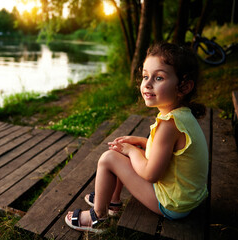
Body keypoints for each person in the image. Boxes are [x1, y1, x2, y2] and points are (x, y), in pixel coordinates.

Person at [65, 42, 209, 233]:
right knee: (123, 151)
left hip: (173, 204)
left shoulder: (169, 124)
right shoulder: (181, 115)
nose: (147, 84)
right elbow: (169, 153)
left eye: (158, 77)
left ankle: (98, 217)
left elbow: (151, 174)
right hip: (188, 197)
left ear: (184, 86)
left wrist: (132, 151)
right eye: (145, 76)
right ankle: (112, 201)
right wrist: (140, 143)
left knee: (109, 158)